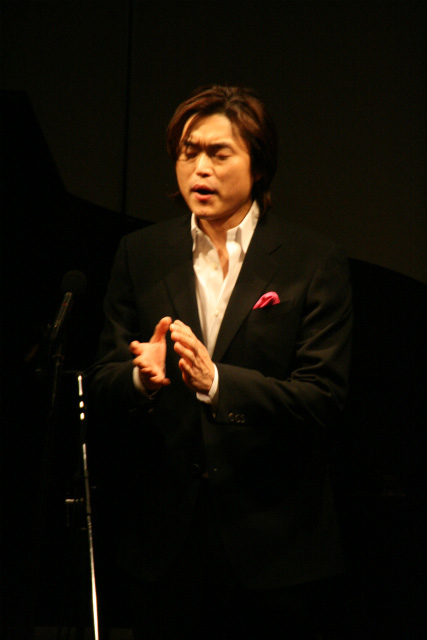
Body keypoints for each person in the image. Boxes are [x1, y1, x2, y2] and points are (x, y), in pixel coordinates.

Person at [87, 85, 353, 639]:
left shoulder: (312, 260)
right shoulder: (141, 253)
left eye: (219, 153)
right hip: (165, 547)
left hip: (274, 546)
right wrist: (140, 379)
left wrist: (217, 383)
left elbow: (323, 396)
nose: (200, 168)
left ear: (259, 164)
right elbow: (103, 380)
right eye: (189, 153)